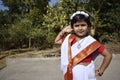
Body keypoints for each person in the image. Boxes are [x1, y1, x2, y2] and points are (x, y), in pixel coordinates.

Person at [55, 11, 112, 80]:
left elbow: (108, 55)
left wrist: (100, 71)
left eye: (83, 25)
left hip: (88, 72)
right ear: (72, 27)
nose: (80, 28)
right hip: (73, 73)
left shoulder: (92, 42)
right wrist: (63, 31)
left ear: (88, 26)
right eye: (76, 26)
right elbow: (57, 41)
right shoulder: (70, 39)